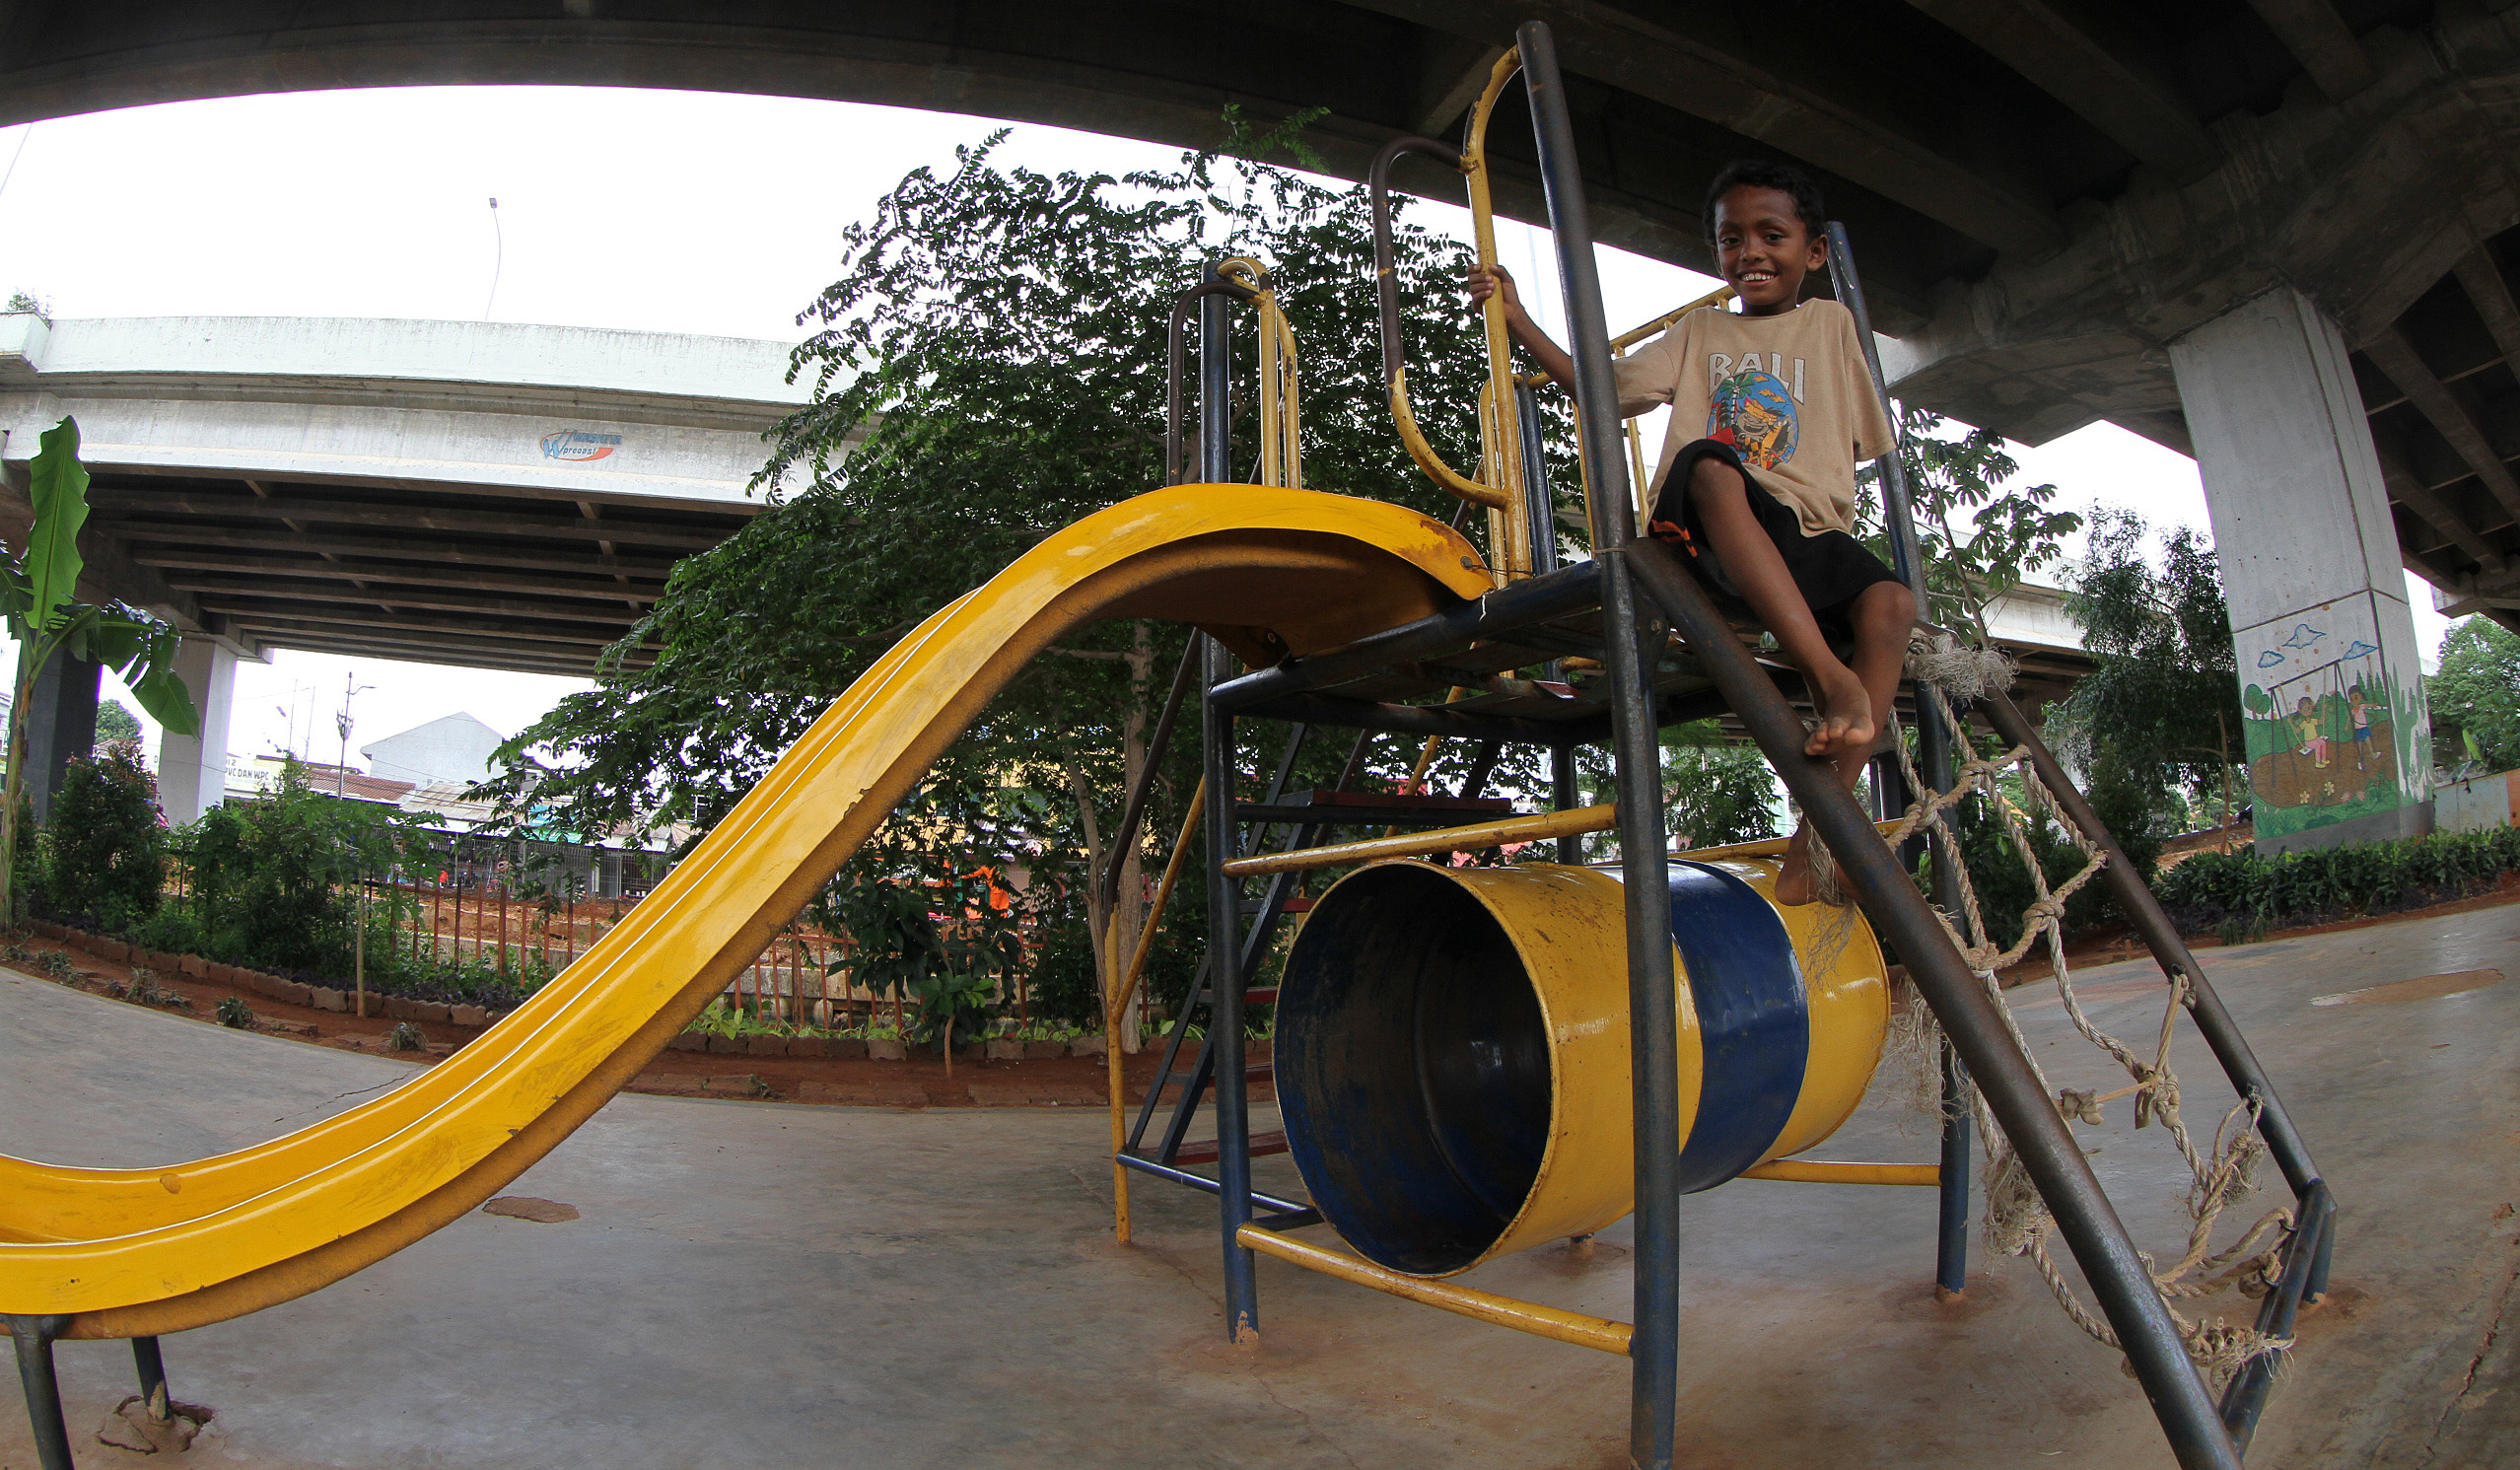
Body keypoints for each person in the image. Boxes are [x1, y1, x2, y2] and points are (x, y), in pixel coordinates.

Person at [1466, 159, 1915, 904]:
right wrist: (1518, 319)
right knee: (1713, 463)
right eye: (1731, 239)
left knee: (1893, 604)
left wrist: (1834, 545)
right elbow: (1603, 389)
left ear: (1814, 252)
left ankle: (1815, 839)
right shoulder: (1699, 330)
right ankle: (1834, 683)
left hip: (1799, 529)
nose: (1751, 253)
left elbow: (1859, 447)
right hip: (1708, 523)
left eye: (1772, 235)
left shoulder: (1832, 325)